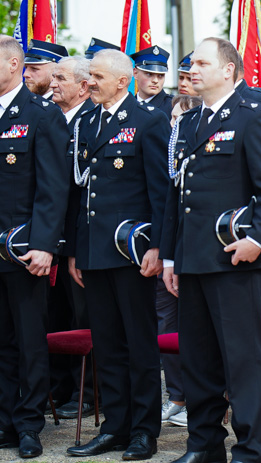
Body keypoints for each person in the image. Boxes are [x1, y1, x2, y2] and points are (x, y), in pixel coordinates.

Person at [160, 38, 261, 463]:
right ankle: (204, 444)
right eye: (191, 63)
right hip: (193, 260)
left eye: (201, 63)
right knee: (198, 361)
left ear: (228, 70)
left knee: (242, 360)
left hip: (233, 259)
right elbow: (179, 196)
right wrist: (172, 257)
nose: (192, 69)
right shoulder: (192, 121)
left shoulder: (253, 117)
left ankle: (249, 448)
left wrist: (257, 241)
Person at [66, 48, 170, 460]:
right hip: (93, 250)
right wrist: (74, 250)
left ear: (122, 80)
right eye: (88, 75)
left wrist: (160, 247)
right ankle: (115, 426)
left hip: (131, 252)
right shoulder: (88, 120)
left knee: (139, 343)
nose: (89, 82)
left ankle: (144, 431)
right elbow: (79, 194)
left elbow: (161, 189)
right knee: (106, 343)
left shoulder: (149, 121)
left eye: (96, 76)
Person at [0, 36, 69, 459]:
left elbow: (53, 188)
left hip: (23, 251)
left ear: (12, 64)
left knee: (28, 341)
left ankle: (28, 424)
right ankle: (5, 420)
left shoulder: (40, 115)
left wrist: (45, 245)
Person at [47, 55, 96, 419]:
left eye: (60, 78)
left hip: (79, 242)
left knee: (84, 320)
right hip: (53, 240)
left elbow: (82, 193)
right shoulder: (53, 119)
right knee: (57, 319)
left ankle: (89, 393)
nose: (52, 84)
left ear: (83, 86)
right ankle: (61, 387)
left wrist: (76, 247)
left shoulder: (89, 122)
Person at [158, 93, 201, 430]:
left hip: (199, 254)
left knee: (197, 331)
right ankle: (177, 397)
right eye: (171, 119)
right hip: (169, 254)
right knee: (166, 327)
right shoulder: (166, 154)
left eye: (178, 120)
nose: (172, 125)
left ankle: (203, 398)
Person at [131, 45, 173, 117]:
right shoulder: (128, 105)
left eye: (160, 75)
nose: (155, 80)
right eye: (149, 74)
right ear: (135, 73)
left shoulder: (173, 106)